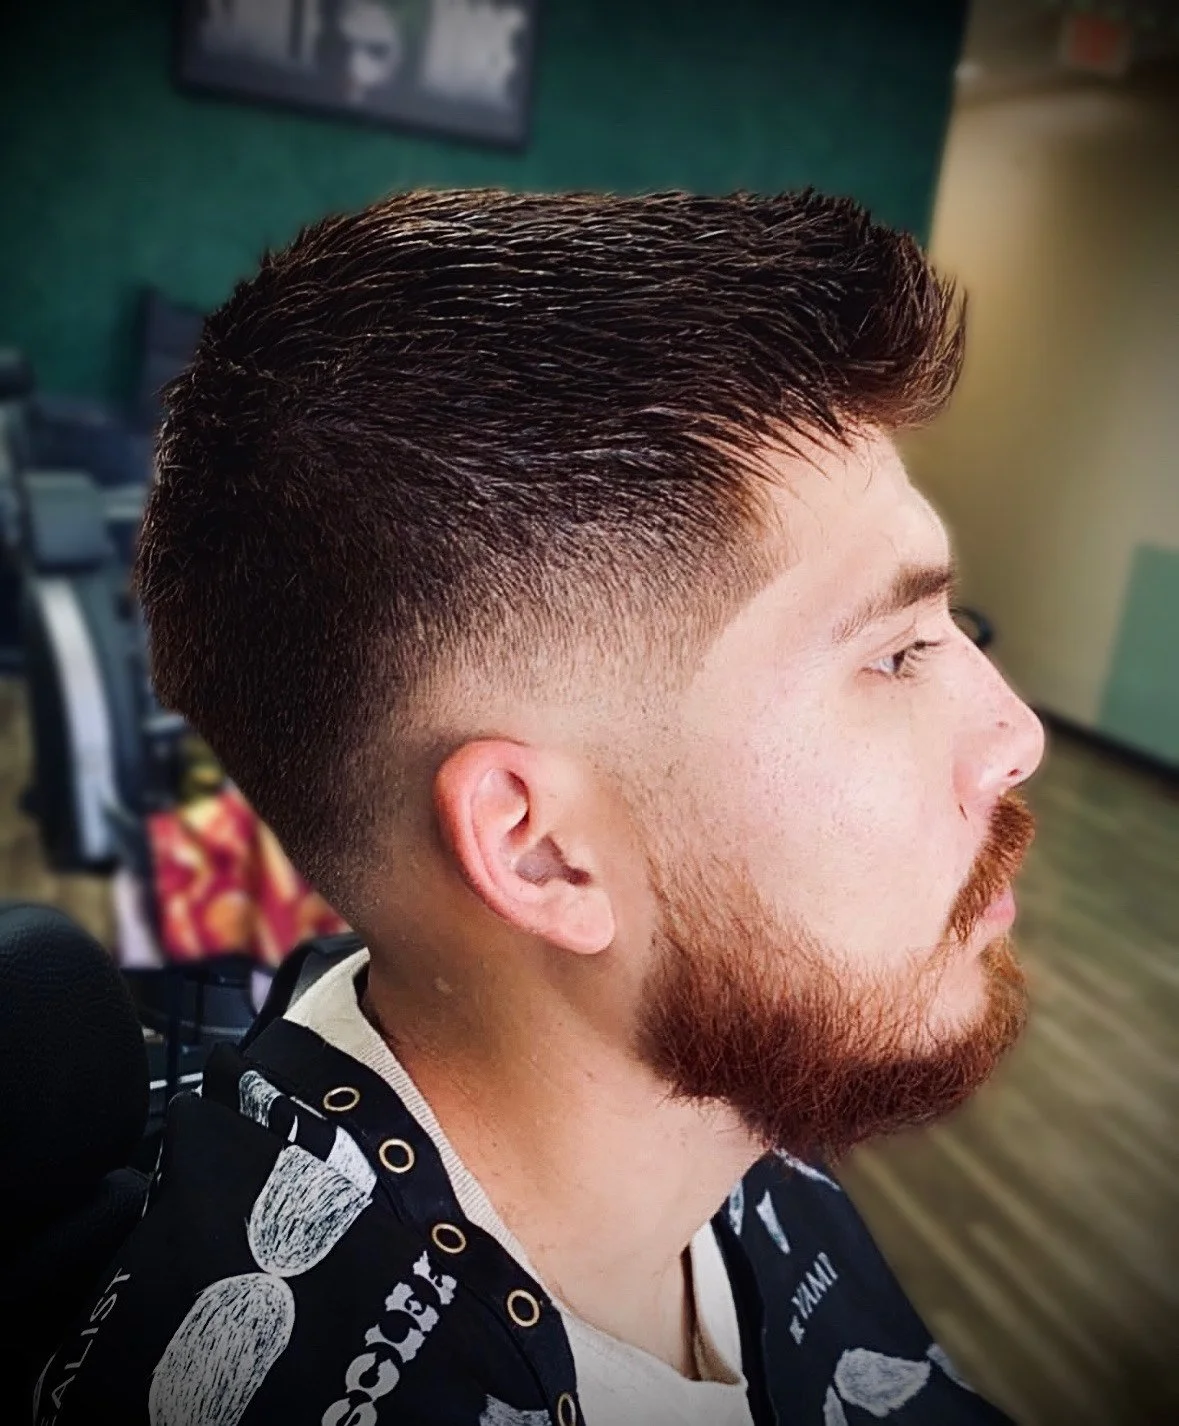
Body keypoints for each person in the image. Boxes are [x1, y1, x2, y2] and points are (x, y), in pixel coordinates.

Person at [35, 187, 1043, 1426]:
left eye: (951, 628)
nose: (1017, 735)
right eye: (895, 654)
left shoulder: (728, 1082)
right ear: (541, 850)